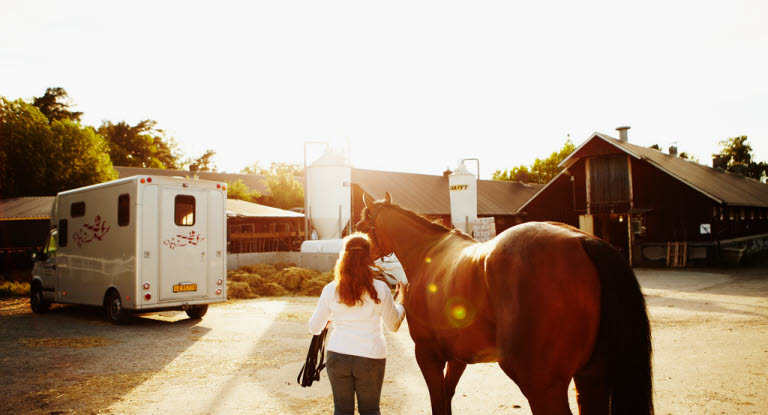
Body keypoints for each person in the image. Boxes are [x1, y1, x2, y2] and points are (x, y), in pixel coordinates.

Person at [308, 233, 407, 415]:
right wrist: (402, 301)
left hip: (338, 356)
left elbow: (314, 327)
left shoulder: (331, 289)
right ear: (369, 258)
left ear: (344, 257)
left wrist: (331, 319)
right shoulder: (381, 288)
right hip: (370, 357)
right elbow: (393, 325)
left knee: (342, 411)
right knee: (370, 411)